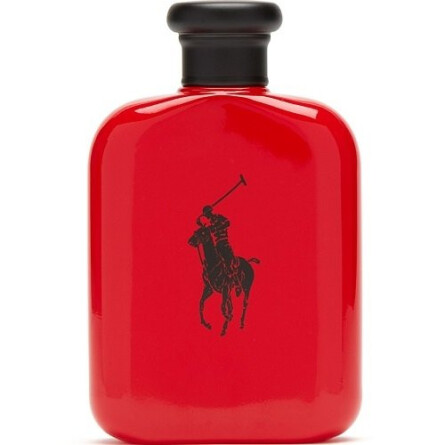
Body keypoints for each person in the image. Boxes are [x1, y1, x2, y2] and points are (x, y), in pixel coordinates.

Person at [198, 205, 241, 292]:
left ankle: (237, 282)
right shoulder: (210, 222)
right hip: (217, 244)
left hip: (224, 241)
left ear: (210, 212)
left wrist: (216, 227)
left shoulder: (218, 217)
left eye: (207, 214)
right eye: (206, 215)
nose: (207, 216)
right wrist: (199, 223)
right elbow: (206, 230)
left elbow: (227, 222)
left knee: (229, 261)